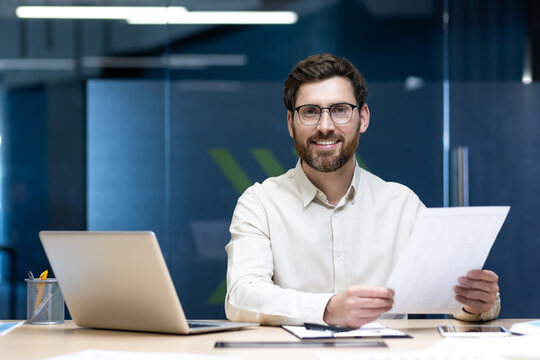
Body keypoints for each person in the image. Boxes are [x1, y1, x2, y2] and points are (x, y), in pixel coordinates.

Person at [225, 54, 500, 328]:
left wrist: (475, 303)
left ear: (363, 117)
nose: (325, 126)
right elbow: (241, 296)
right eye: (310, 111)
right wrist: (328, 309)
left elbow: (451, 290)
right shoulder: (260, 203)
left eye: (340, 109)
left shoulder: (401, 205)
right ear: (290, 123)